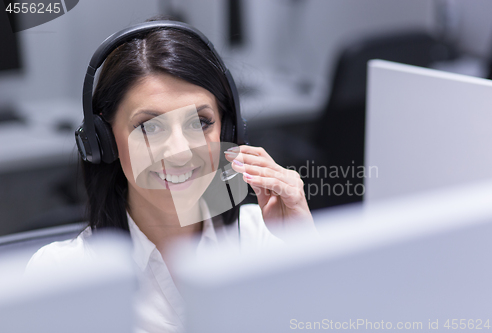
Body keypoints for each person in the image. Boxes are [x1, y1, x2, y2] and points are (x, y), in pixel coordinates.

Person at [27, 18, 315, 333]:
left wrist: (305, 253)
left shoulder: (263, 238)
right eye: (149, 127)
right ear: (105, 142)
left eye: (201, 122)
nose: (179, 152)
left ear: (228, 129)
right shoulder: (61, 277)